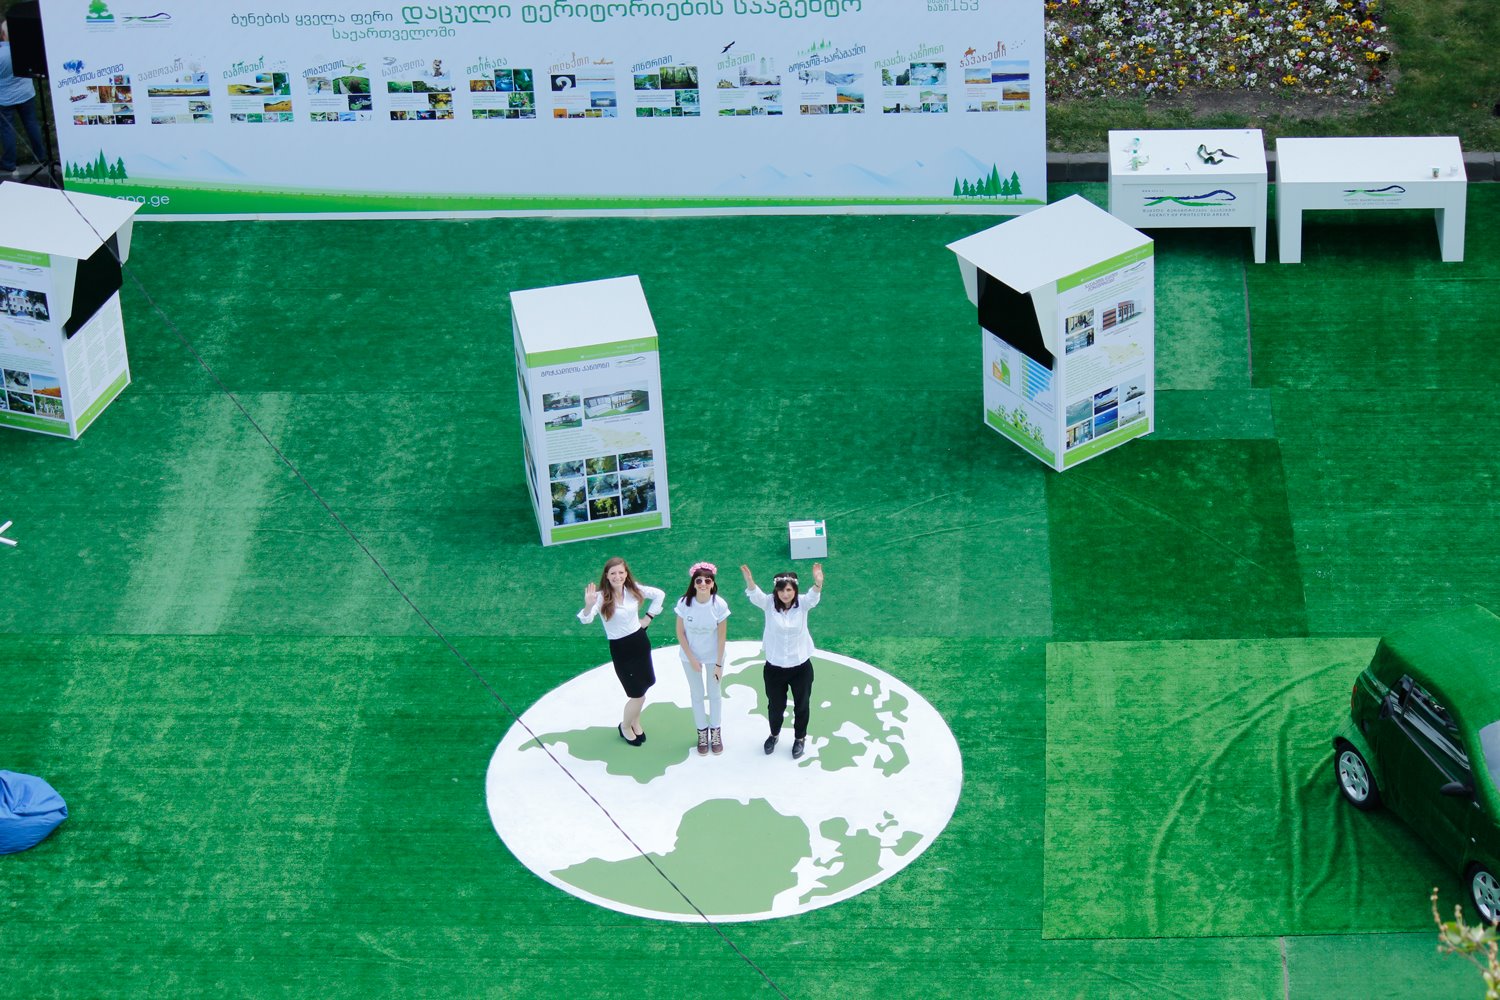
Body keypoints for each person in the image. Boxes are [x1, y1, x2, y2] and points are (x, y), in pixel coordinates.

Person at [740, 562, 824, 760]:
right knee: (775, 706)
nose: (785, 594)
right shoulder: (769, 603)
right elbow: (755, 595)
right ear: (776, 591)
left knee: (802, 705)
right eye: (781, 590)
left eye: (789, 590)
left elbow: (813, 596)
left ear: (794, 590)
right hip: (774, 668)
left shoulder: (803, 603)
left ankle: (800, 738)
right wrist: (750, 581)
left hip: (800, 667)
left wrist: (818, 582)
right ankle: (774, 734)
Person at [578, 557, 664, 746]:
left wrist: (648, 617)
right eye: (613, 573)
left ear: (626, 574)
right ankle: (625, 726)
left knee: (646, 684)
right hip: (621, 649)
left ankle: (635, 722)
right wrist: (588, 605)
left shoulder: (633, 589)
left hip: (640, 642)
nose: (617, 576)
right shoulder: (600, 597)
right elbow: (586, 619)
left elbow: (660, 594)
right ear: (607, 576)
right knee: (636, 693)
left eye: (621, 572)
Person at [674, 561, 730, 756]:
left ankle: (715, 732)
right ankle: (702, 733)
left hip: (713, 657)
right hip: (690, 657)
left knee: (714, 694)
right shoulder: (684, 603)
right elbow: (680, 633)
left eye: (707, 580)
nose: (703, 584)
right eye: (699, 580)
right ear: (694, 583)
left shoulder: (719, 605)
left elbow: (721, 637)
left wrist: (718, 664)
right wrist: (691, 658)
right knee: (697, 694)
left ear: (713, 583)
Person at [0, 20, 46, 181]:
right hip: (26, 94)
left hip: (5, 98)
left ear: (3, 34)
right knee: (31, 123)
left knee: (7, 129)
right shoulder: (25, 49)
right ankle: (41, 156)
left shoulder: (1, 54)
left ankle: (9, 162)